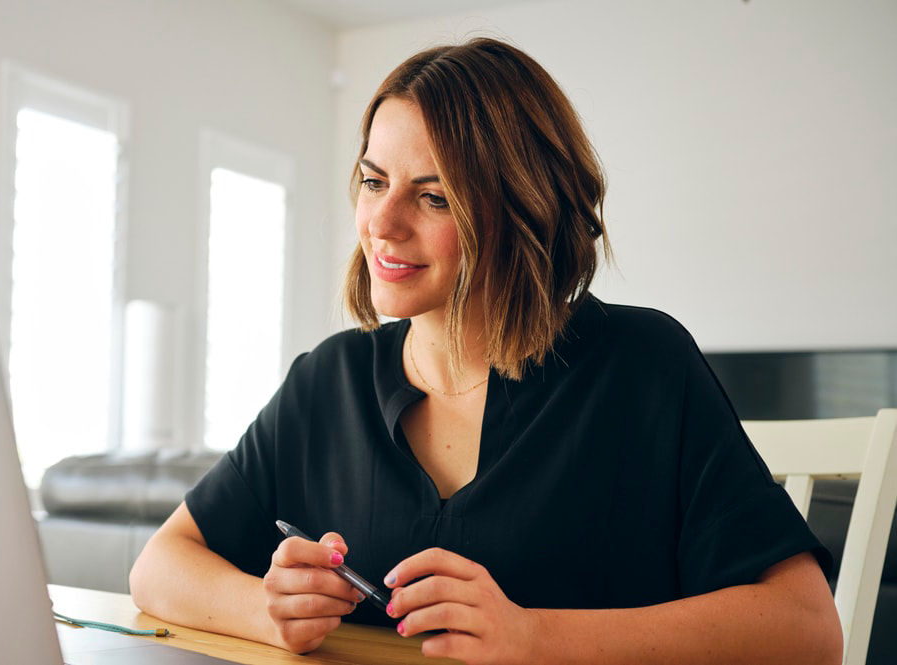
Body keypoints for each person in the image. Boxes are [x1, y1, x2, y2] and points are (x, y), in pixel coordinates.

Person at [130, 38, 842, 664]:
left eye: (433, 197)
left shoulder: (642, 365)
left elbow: (807, 631)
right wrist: (270, 610)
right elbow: (158, 567)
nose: (381, 221)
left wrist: (532, 638)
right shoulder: (328, 379)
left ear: (519, 207)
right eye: (374, 181)